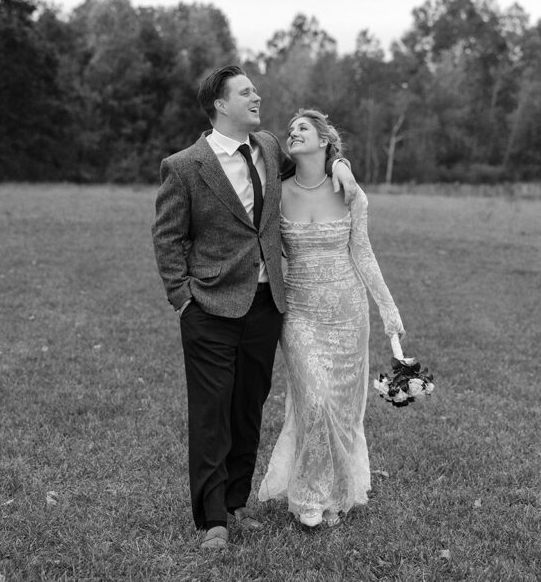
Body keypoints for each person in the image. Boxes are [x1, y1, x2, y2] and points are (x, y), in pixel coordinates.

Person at [152, 66, 357, 550]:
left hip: (267, 305)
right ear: (221, 104)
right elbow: (167, 236)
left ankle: (236, 503)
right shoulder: (184, 166)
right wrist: (183, 298)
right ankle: (212, 519)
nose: (257, 96)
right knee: (211, 413)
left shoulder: (266, 146)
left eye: (255, 89)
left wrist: (340, 165)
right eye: (246, 92)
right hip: (209, 309)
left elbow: (310, 166)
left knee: (248, 408)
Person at [257, 108, 404, 528]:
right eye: (291, 130)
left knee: (339, 408)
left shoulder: (350, 193)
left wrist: (388, 309)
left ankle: (337, 491)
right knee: (314, 401)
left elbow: (364, 253)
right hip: (299, 311)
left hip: (347, 313)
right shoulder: (276, 191)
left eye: (303, 128)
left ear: (324, 140)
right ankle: (308, 497)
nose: (293, 133)